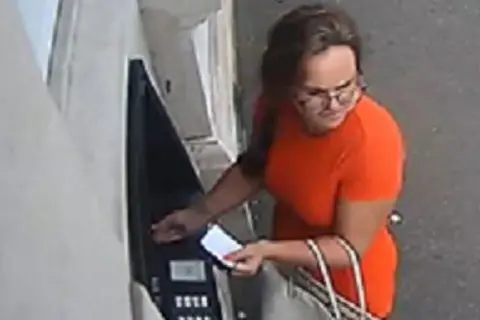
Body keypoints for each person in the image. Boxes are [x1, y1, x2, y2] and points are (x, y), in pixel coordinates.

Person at [152, 3, 405, 319]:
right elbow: (255, 168)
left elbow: (349, 249)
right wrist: (199, 213)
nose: (335, 105)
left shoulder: (373, 141)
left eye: (347, 88)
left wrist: (268, 250)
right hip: (288, 268)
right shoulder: (276, 108)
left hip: (340, 294)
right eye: (315, 93)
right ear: (286, 86)